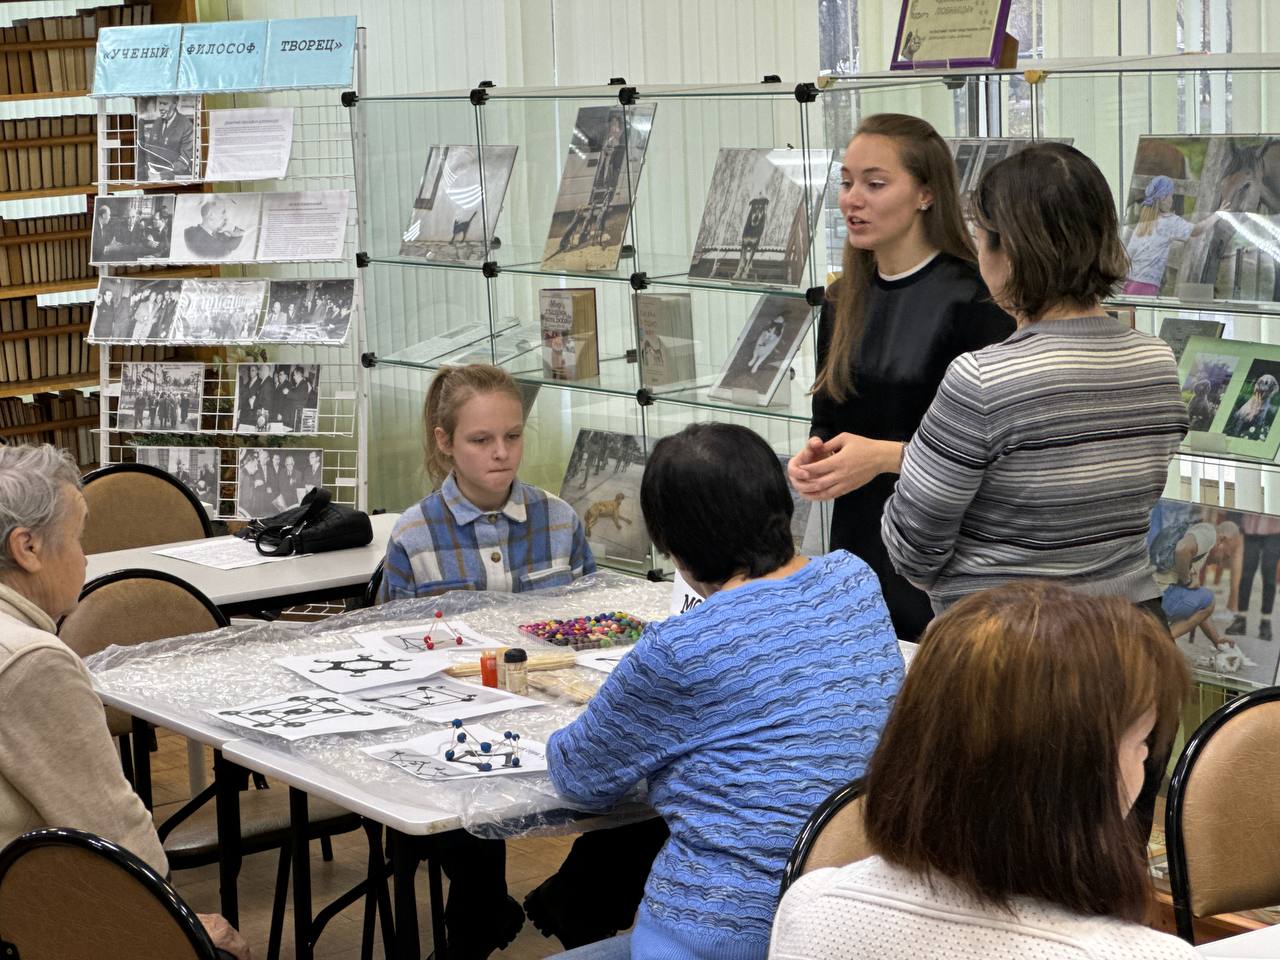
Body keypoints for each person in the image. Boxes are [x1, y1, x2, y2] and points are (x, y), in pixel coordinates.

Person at [546, 423, 903, 960]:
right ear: (779, 502)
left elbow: (578, 777)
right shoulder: (855, 581)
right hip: (852, 920)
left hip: (721, 937)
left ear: (672, 547)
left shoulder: (680, 648)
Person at [769, 582, 1197, 960]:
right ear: (1073, 778)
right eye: (1141, 742)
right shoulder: (1140, 954)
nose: (1146, 761)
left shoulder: (811, 905)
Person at [881, 142, 1190, 617]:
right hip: (1132, 638)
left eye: (981, 236)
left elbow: (913, 548)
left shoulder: (982, 378)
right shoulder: (1158, 361)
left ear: (1008, 249)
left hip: (1009, 644)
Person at [376, 363, 596, 958]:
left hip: (557, 717)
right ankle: (478, 915)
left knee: (643, 795)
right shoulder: (414, 536)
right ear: (445, 442)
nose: (502, 453)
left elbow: (594, 633)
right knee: (466, 829)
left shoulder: (559, 519)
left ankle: (576, 901)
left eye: (513, 436)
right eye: (481, 440)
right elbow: (394, 659)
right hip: (457, 727)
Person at [0, 444, 250, 959]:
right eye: (77, 538)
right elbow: (110, 825)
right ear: (27, 548)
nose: (85, 557)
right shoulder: (31, 661)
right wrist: (179, 923)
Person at [787, 113, 1014, 640]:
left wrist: (883, 457)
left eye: (875, 183)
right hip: (858, 552)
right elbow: (831, 418)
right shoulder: (842, 298)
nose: (851, 200)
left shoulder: (976, 300)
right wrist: (814, 458)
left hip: (947, 557)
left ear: (926, 195)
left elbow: (998, 459)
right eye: (845, 183)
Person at [1121, 175, 1216, 296]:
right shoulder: (1170, 221)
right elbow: (1197, 230)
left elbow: (1127, 255)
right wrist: (1217, 215)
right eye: (1171, 195)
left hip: (1129, 284)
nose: (1172, 199)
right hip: (1147, 286)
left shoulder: (1143, 223)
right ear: (1164, 198)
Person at [137, 95, 195, 181]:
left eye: (165, 104)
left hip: (174, 180)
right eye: (160, 103)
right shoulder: (157, 122)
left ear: (175, 104)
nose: (160, 107)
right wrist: (149, 171)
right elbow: (149, 151)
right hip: (153, 177)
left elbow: (184, 161)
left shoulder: (186, 126)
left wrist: (162, 175)